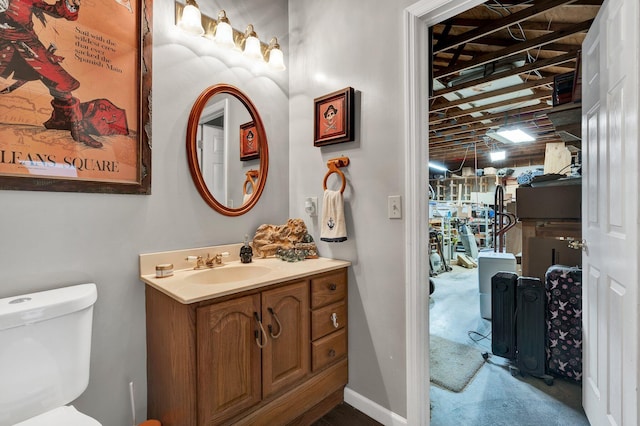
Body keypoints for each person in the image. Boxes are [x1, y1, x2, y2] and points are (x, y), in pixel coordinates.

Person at [0, 0, 102, 148]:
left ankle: (67, 122)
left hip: (27, 43)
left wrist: (70, 4)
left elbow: (54, 10)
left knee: (59, 81)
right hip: (3, 44)